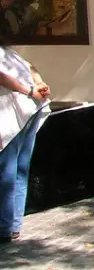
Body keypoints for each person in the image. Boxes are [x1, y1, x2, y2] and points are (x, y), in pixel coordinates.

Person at [0, 44, 51, 243]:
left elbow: (2, 77)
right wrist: (40, 84)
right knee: (20, 168)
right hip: (29, 108)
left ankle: (5, 226)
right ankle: (12, 224)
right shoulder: (7, 50)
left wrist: (31, 90)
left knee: (8, 169)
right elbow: (30, 67)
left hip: (18, 110)